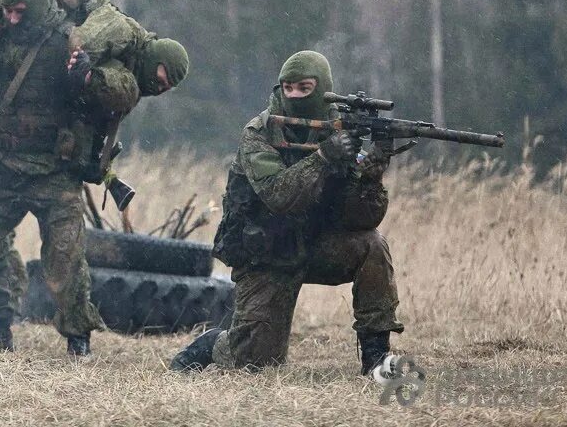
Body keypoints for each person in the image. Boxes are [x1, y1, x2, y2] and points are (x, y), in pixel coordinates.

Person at [170, 50, 402, 376]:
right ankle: (211, 344)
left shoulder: (337, 132)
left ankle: (377, 360)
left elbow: (361, 219)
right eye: (288, 87)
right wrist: (324, 157)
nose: (293, 95)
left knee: (373, 244)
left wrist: (372, 173)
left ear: (323, 91)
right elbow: (279, 196)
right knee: (256, 362)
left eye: (304, 89)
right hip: (266, 252)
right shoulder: (259, 133)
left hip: (315, 246)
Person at [0, 0, 121, 358]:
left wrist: (88, 78)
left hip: (54, 170)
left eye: (20, 11)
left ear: (36, 5)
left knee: (65, 261)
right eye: (7, 11)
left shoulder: (70, 42)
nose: (12, 19)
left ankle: (77, 336)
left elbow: (116, 93)